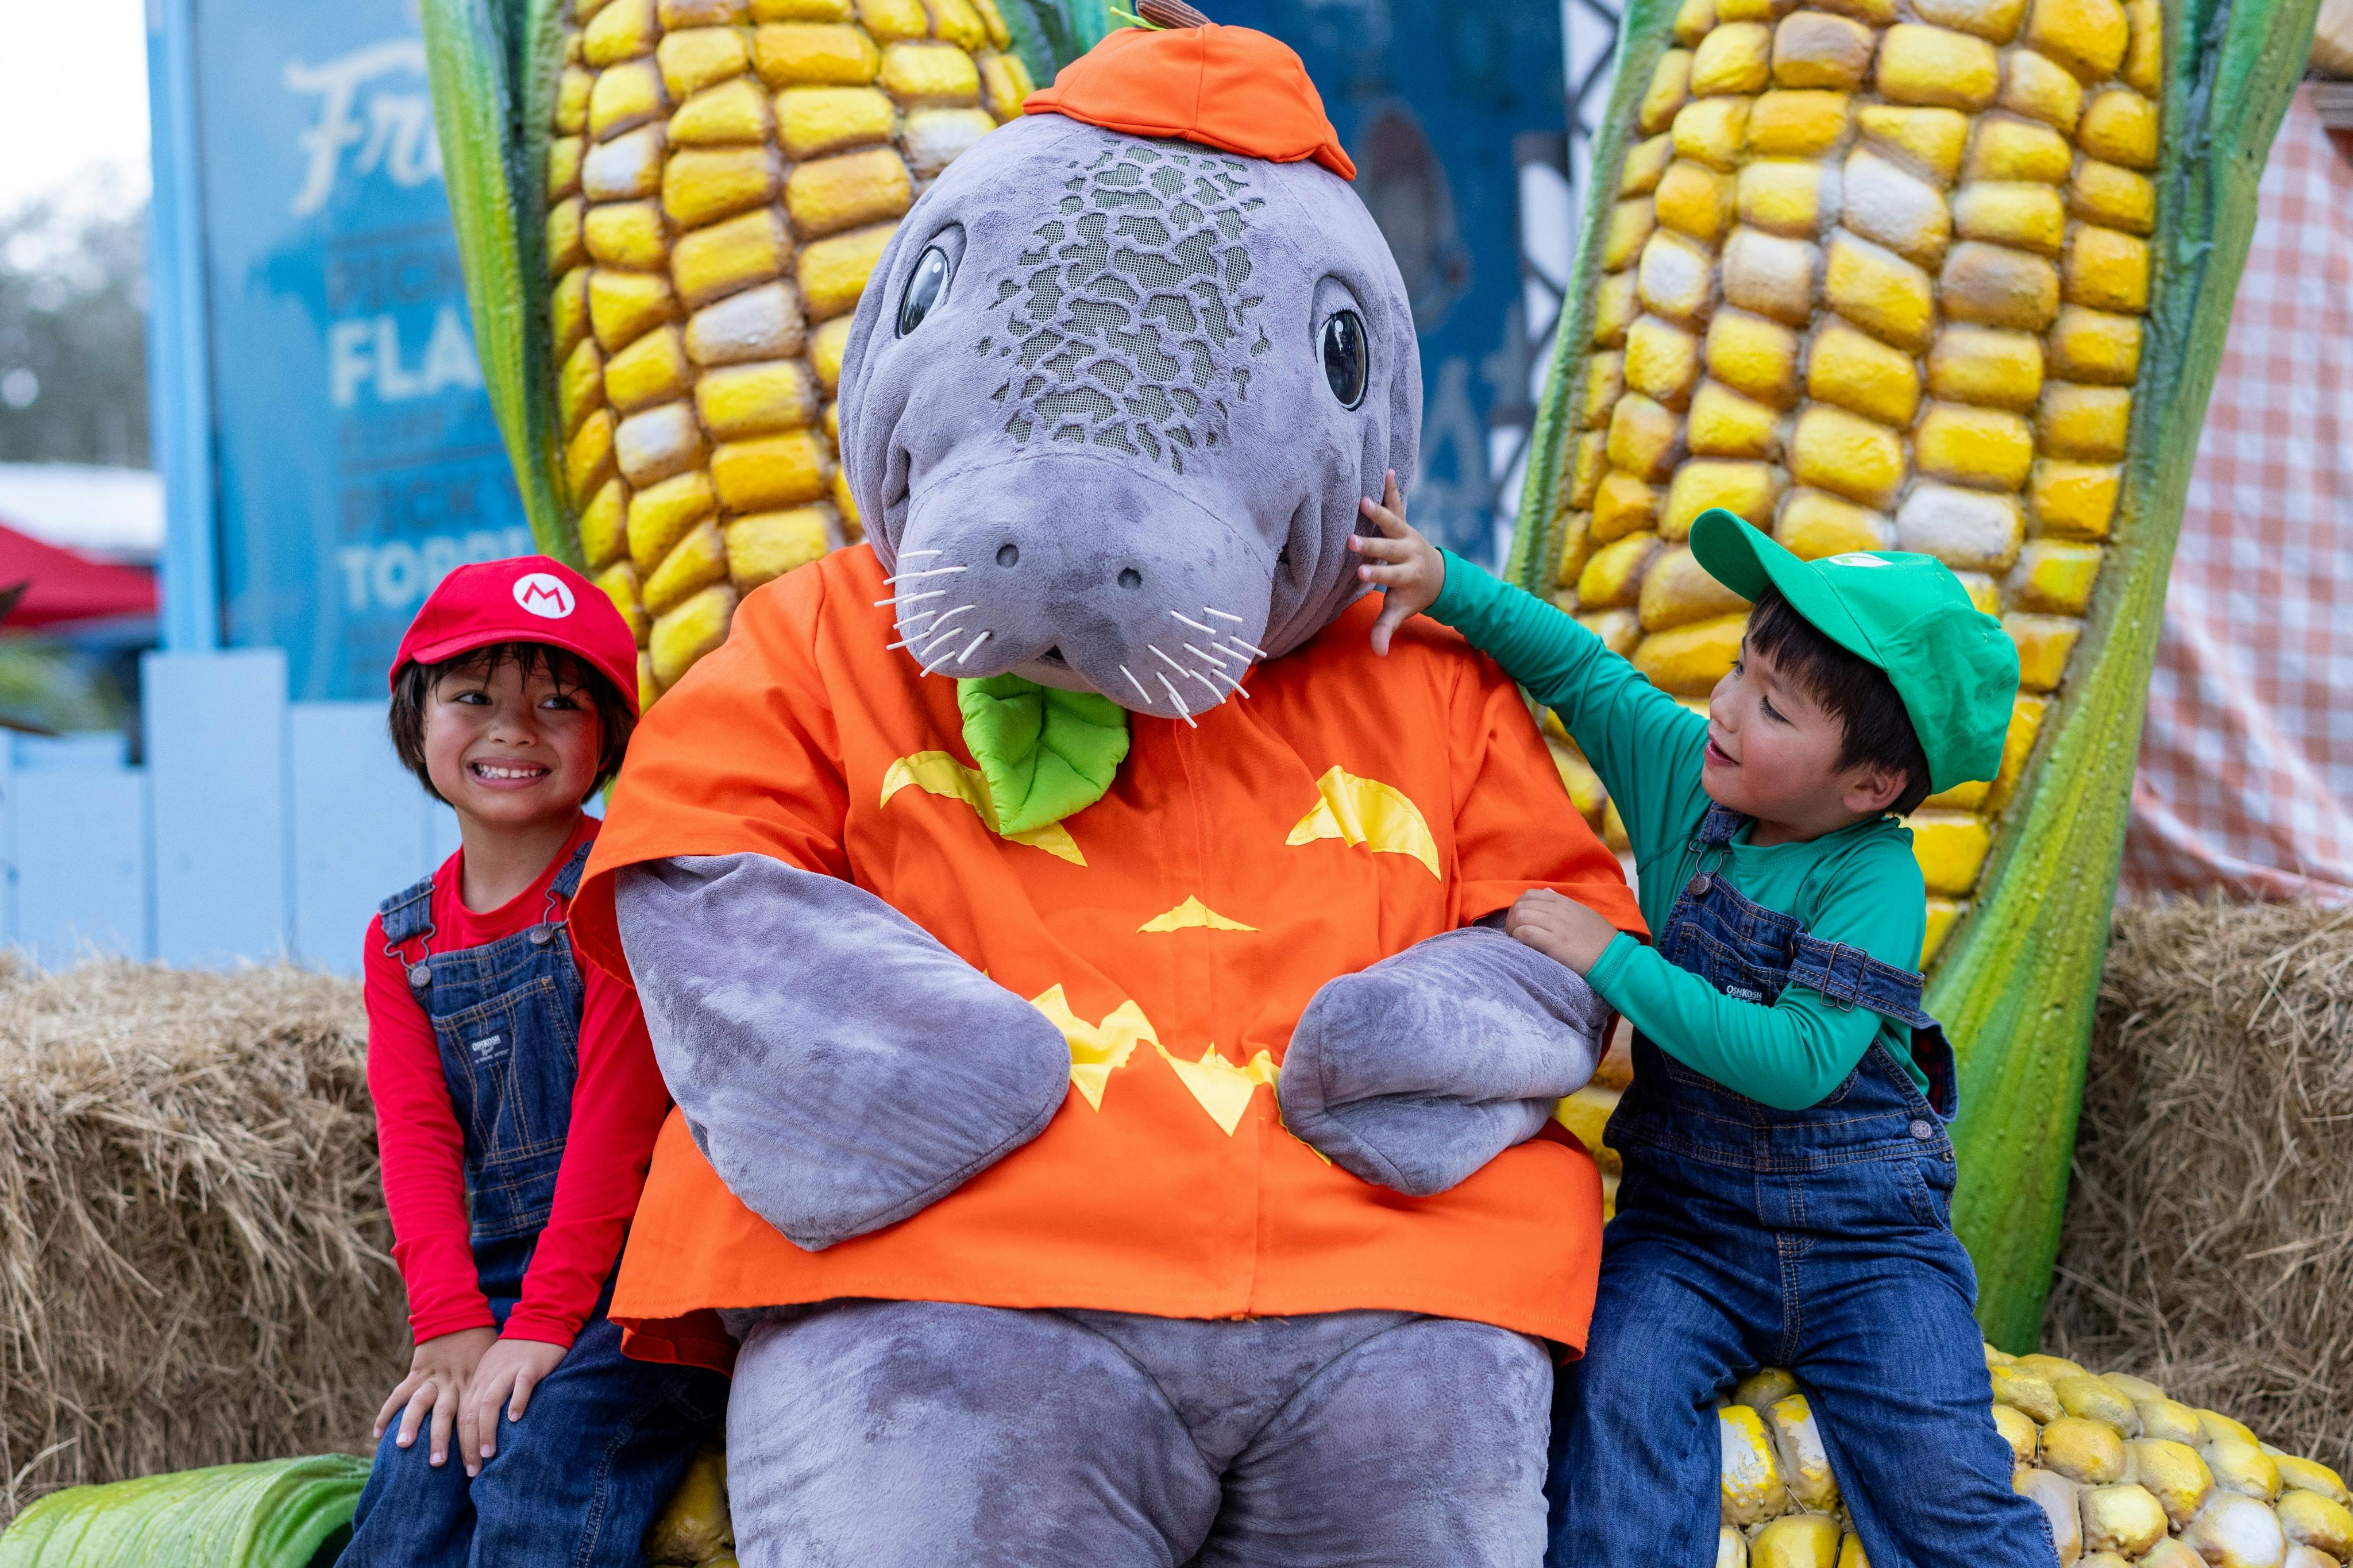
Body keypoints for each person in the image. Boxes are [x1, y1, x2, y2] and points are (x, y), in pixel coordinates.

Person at [1352, 488, 2056, 1567]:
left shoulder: (1874, 881)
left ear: (1872, 782)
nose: (1727, 707)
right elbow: (1581, 671)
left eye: (1776, 710)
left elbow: (1800, 1064)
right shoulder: (1692, 780)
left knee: (1942, 1484)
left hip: (1868, 1244)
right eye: (1741, 670)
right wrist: (1444, 580)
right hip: (1689, 1229)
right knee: (1612, 1415)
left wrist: (1611, 955)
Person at [342, 558, 724, 1567]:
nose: (515, 729)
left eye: (559, 703)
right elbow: (416, 1142)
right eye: (475, 697)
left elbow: (617, 1125)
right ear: (416, 722)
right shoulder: (404, 943)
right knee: (415, 1466)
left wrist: (545, 1324)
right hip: (507, 1286)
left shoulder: (622, 891)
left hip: (647, 1296)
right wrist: (451, 1326)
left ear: (608, 740)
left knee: (539, 1457)